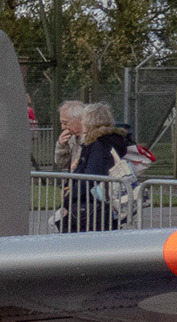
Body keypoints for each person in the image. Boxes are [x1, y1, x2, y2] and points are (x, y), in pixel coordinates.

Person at [63, 102, 131, 232]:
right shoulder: (112, 142)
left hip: (92, 206)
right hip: (103, 204)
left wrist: (69, 198)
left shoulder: (98, 145)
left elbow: (92, 176)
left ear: (89, 122)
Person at [52, 99, 86, 171]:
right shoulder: (72, 138)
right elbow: (62, 164)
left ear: (78, 119)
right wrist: (61, 146)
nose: (63, 127)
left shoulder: (92, 139)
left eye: (65, 123)